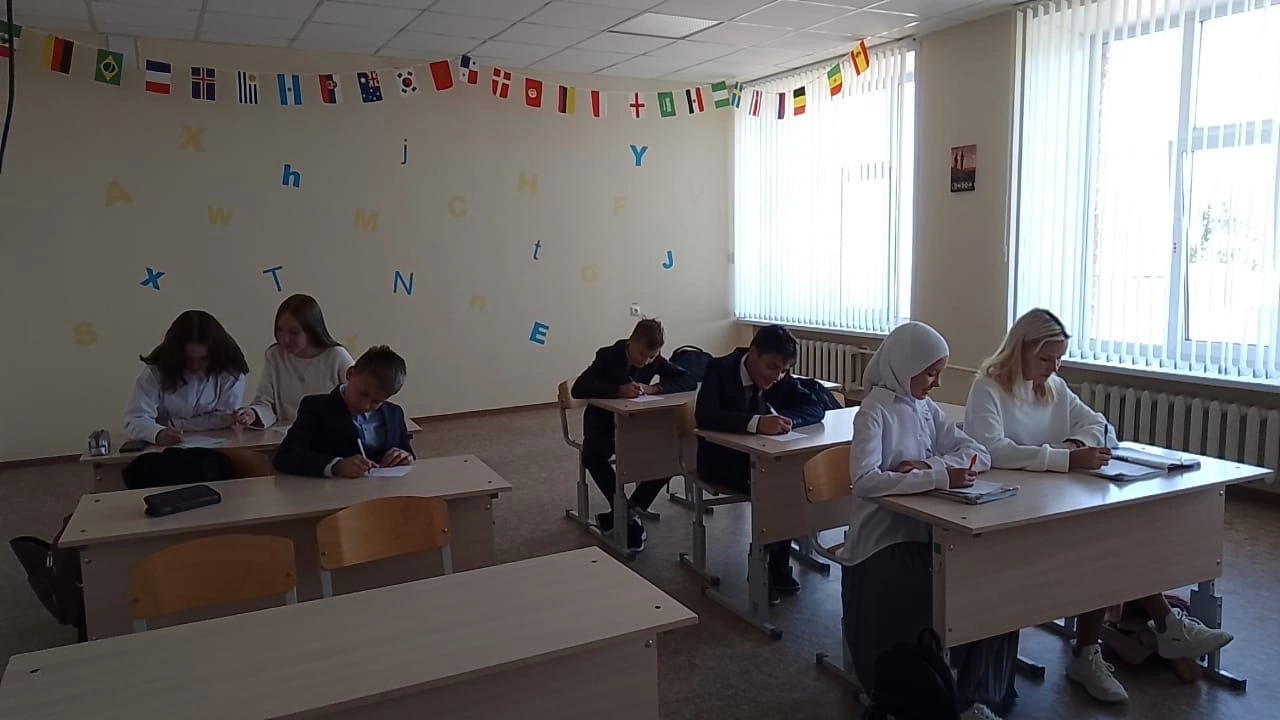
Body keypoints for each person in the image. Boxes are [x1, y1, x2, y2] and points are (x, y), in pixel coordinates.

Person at [964, 308, 1234, 704]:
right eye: (1045, 358)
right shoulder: (987, 388)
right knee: (1101, 547)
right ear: (1019, 350)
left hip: (1057, 502)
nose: (1054, 367)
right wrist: (1065, 458)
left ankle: (1104, 647)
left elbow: (1101, 427)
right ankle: (1164, 627)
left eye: (1059, 359)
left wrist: (1075, 444)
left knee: (1108, 540)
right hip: (1010, 511)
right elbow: (993, 450)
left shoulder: (1054, 387)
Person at [840, 321, 1015, 720]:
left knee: (992, 584)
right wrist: (939, 476)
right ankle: (926, 691)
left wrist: (930, 467)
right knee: (948, 590)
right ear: (905, 365)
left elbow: (979, 453)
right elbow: (864, 481)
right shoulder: (874, 411)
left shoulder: (925, 408)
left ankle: (976, 698)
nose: (937, 383)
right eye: (931, 373)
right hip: (882, 542)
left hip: (928, 532)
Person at [695, 324, 825, 604]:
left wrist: (786, 421)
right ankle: (762, 567)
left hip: (764, 459)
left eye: (784, 371)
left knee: (791, 482)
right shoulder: (719, 369)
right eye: (772, 367)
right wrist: (755, 423)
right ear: (752, 353)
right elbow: (705, 415)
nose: (777, 377)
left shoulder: (779, 377)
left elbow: (815, 407)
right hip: (721, 460)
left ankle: (777, 564)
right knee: (776, 488)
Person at [570, 318, 696, 552]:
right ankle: (625, 513)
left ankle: (627, 511)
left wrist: (654, 388)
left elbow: (688, 380)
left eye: (652, 356)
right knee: (592, 455)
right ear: (631, 342)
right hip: (602, 425)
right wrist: (617, 391)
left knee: (672, 456)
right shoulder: (607, 356)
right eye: (642, 354)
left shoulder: (655, 360)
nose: (646, 361)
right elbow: (579, 388)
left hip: (638, 426)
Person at [273, 345, 415, 478]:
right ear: (350, 374)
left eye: (376, 401)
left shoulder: (394, 413)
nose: (365, 405)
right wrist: (337, 465)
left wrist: (404, 457)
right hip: (330, 491)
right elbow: (285, 456)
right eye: (362, 393)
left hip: (383, 491)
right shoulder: (316, 407)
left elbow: (407, 452)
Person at [123, 310, 249, 445]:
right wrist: (157, 433)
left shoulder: (231, 373)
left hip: (220, 447)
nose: (195, 366)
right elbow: (134, 420)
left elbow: (226, 418)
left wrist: (171, 423)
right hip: (164, 449)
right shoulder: (156, 372)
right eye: (188, 358)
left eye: (203, 359)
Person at [235, 294, 354, 429]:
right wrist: (253, 413)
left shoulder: (336, 356)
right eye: (280, 330)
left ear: (311, 330)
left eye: (294, 332)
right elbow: (265, 402)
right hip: (285, 434)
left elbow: (357, 399)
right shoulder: (275, 355)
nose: (285, 339)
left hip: (330, 433)